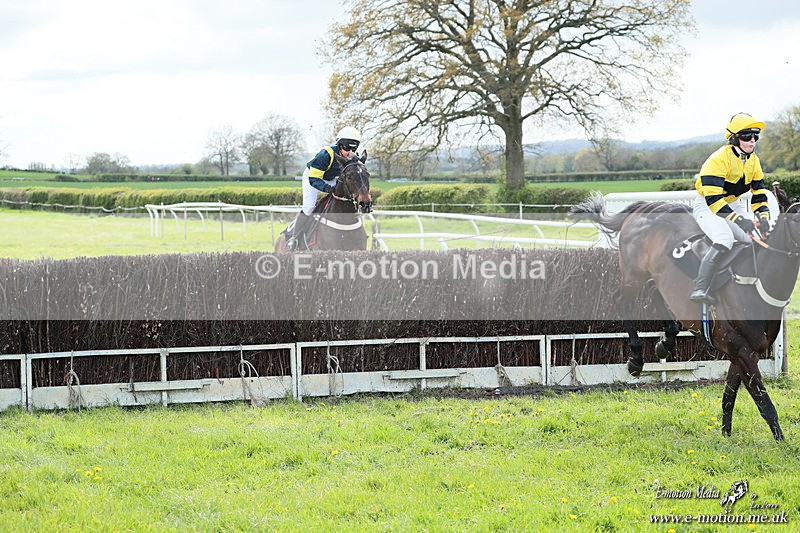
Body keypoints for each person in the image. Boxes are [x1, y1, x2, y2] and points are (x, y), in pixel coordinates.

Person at [689, 112, 770, 303]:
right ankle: (700, 288)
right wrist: (740, 220)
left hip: (732, 203)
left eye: (755, 136)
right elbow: (714, 200)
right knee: (724, 238)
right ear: (733, 138)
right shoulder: (717, 159)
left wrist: (763, 217)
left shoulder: (753, 160)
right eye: (746, 136)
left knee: (753, 241)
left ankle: (742, 282)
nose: (752, 141)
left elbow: (759, 193)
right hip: (708, 205)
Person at [285, 126, 361, 250]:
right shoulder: (326, 154)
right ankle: (294, 238)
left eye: (354, 148)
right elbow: (314, 179)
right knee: (309, 206)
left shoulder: (353, 157)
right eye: (347, 147)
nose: (350, 152)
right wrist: (328, 189)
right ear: (340, 145)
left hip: (331, 178)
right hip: (313, 176)